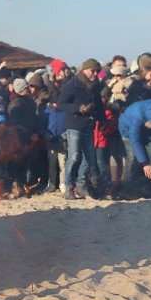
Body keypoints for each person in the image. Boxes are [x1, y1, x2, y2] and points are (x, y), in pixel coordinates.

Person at [57, 58, 103, 199]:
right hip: (74, 125)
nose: (95, 73)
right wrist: (79, 108)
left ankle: (80, 185)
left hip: (89, 125)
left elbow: (99, 105)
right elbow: (61, 104)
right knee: (74, 156)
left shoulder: (95, 86)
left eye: (97, 71)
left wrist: (102, 120)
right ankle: (68, 187)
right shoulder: (72, 85)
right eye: (93, 71)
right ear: (85, 70)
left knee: (89, 157)